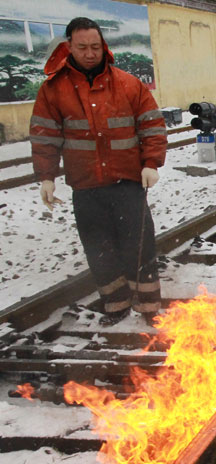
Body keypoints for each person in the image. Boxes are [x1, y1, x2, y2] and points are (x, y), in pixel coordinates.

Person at [29, 17, 167, 326]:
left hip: (127, 182)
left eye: (95, 47)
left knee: (140, 245)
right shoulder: (53, 90)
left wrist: (151, 163)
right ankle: (116, 305)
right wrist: (46, 177)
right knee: (99, 249)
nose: (90, 53)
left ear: (103, 46)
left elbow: (152, 124)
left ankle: (148, 307)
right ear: (69, 47)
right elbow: (44, 136)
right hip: (86, 185)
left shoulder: (128, 83)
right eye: (82, 48)